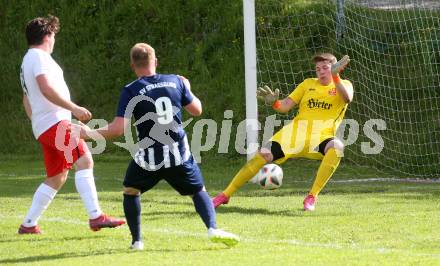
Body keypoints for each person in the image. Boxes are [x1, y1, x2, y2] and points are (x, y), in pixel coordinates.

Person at [77, 43, 239, 250]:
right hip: (177, 154)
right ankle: (212, 228)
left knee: (131, 191)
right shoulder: (175, 81)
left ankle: (137, 241)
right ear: (155, 62)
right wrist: (187, 88)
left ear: (132, 65)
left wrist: (88, 133)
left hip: (149, 158)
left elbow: (118, 129)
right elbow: (197, 110)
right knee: (198, 191)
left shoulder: (131, 90)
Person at [18, 15, 125, 234]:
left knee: (57, 176)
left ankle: (28, 224)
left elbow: (26, 97)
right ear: (48, 35)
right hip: (54, 123)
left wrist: (36, 120)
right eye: (54, 35)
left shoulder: (28, 59)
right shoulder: (38, 57)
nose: (54, 39)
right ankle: (96, 217)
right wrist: (73, 108)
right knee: (84, 160)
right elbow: (45, 88)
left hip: (46, 124)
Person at [213, 53, 353, 211]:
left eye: (325, 68)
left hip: (321, 138)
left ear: (335, 69)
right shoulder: (308, 84)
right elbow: (285, 106)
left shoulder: (344, 84)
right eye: (317, 69)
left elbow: (347, 98)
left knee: (337, 147)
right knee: (263, 154)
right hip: (294, 134)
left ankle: (312, 196)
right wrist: (274, 103)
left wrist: (335, 77)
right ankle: (225, 195)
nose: (320, 71)